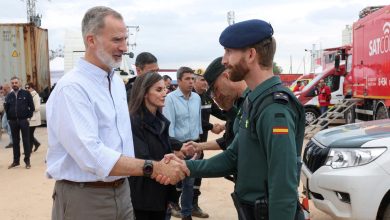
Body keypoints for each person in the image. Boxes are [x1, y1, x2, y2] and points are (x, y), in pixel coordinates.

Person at [45, 6, 188, 220]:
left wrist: (165, 155)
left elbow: (123, 142)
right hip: (86, 198)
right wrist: (153, 166)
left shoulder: (116, 84)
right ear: (91, 40)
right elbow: (92, 155)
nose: (124, 47)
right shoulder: (72, 88)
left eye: (125, 40)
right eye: (116, 40)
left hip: (123, 191)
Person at [173, 19, 306, 220]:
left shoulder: (274, 109)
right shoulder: (253, 102)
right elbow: (233, 156)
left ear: (251, 55)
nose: (224, 60)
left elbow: (283, 185)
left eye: (229, 52)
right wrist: (185, 167)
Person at [128, 72, 175, 220]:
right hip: (142, 197)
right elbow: (142, 158)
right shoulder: (133, 122)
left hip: (161, 193)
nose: (165, 93)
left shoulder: (161, 121)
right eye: (158, 90)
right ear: (144, 93)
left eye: (165, 89)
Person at [163, 66, 202, 220]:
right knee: (171, 182)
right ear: (178, 80)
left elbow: (197, 121)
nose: (191, 82)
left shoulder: (197, 98)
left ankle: (186, 214)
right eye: (187, 79)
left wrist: (198, 143)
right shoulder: (170, 98)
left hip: (193, 145)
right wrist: (175, 149)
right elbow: (169, 124)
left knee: (189, 183)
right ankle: (167, 213)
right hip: (177, 146)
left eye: (192, 79)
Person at [190, 71, 226, 218]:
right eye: (202, 80)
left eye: (206, 81)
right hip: (190, 141)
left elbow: (220, 113)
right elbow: (193, 120)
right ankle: (176, 204)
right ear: (195, 81)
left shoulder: (206, 97)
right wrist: (212, 127)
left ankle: (193, 204)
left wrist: (233, 118)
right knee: (184, 175)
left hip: (201, 142)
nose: (205, 83)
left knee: (197, 174)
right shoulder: (190, 97)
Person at [4, 77, 35, 169]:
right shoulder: (9, 96)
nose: (14, 84)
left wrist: (28, 117)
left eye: (16, 82)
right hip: (13, 122)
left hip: (23, 121)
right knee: (15, 142)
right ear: (11, 84)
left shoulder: (26, 94)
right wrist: (9, 119)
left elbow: (32, 107)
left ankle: (27, 161)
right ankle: (16, 161)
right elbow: (7, 108)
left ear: (20, 83)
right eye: (12, 83)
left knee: (26, 141)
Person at [25, 82, 41, 152]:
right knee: (29, 134)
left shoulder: (35, 95)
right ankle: (36, 144)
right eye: (25, 88)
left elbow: (37, 107)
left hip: (34, 118)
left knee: (29, 134)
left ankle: (29, 150)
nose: (27, 89)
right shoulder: (28, 95)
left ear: (32, 88)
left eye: (28, 88)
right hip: (30, 118)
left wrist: (28, 108)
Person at [2, 83, 13, 148]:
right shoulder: (6, 95)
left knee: (10, 128)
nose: (3, 90)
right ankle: (13, 137)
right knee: (4, 125)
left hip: (10, 113)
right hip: (6, 112)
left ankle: (12, 142)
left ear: (8, 88)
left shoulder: (12, 94)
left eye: (5, 89)